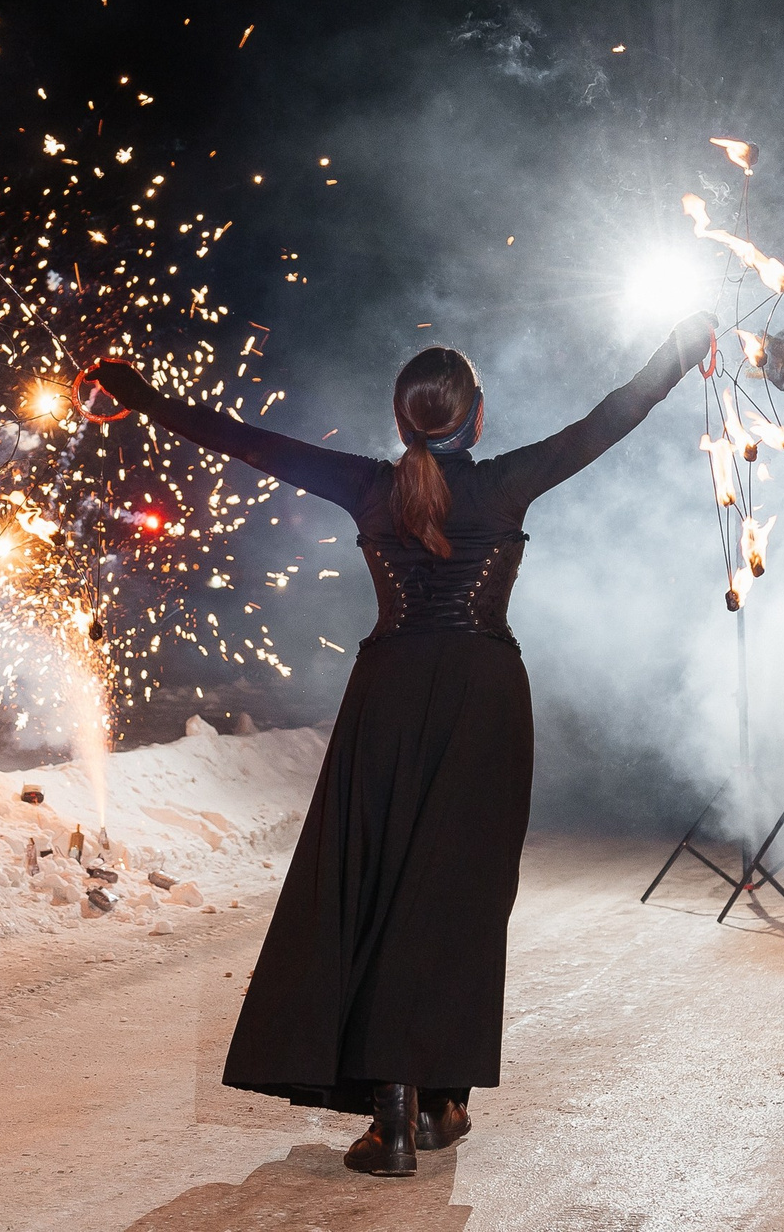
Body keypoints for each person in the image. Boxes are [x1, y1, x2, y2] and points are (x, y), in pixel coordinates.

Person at [85, 310, 715, 1177]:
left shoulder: (369, 488)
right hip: (482, 699)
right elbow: (614, 414)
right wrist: (682, 344)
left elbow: (238, 437)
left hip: (388, 695)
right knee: (456, 898)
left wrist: (133, 390)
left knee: (376, 885)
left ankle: (410, 1113)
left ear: (400, 420)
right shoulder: (503, 485)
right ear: (478, 418)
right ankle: (428, 1105)